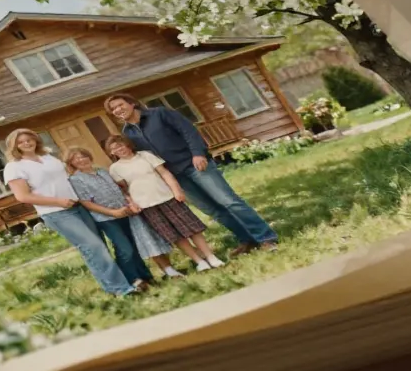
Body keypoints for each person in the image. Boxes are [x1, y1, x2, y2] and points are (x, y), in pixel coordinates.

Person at [103, 93, 279, 256]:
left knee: (229, 202)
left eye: (120, 105)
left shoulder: (160, 114)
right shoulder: (128, 133)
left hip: (194, 164)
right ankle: (246, 239)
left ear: (132, 103)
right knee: (213, 210)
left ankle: (265, 238)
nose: (117, 110)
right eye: (113, 109)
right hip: (175, 177)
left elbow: (188, 130)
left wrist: (198, 153)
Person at [0, 128, 137, 297]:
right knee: (92, 246)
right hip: (57, 213)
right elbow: (23, 196)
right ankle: (121, 290)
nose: (26, 143)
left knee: (99, 246)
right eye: (21, 142)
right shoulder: (14, 167)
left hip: (79, 206)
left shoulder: (48, 157)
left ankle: (119, 284)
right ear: (14, 145)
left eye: (29, 139)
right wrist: (58, 201)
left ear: (36, 140)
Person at [102, 135, 226, 272]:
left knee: (192, 228)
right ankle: (198, 261)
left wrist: (176, 190)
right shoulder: (115, 168)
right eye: (114, 148)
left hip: (167, 198)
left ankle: (211, 257)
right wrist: (132, 203)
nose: (119, 149)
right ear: (111, 152)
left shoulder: (145, 156)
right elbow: (124, 190)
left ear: (128, 145)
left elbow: (165, 173)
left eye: (121, 145)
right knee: (175, 235)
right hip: (146, 207)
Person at [64, 146, 181, 284]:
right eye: (76, 159)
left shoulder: (102, 171)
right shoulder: (76, 179)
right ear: (71, 163)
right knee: (125, 249)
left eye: (83, 156)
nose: (81, 160)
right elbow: (87, 203)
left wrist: (129, 202)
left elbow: (120, 191)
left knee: (135, 246)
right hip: (107, 218)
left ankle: (146, 277)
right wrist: (112, 212)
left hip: (126, 213)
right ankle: (133, 279)